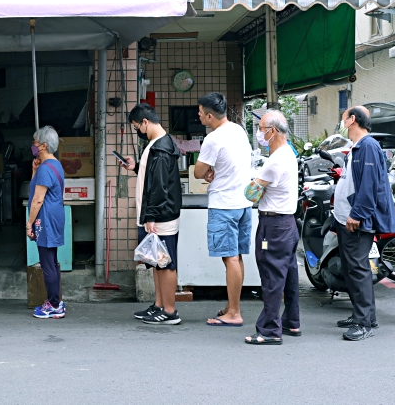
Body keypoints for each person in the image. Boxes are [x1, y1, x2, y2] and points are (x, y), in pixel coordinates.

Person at [332, 106, 395, 341]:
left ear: (352, 120)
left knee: (358, 269)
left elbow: (370, 185)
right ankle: (364, 315)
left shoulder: (368, 146)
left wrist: (357, 214)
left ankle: (364, 324)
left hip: (355, 219)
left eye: (343, 119)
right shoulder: (357, 147)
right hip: (346, 217)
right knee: (353, 269)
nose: (341, 123)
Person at [191, 93, 251, 327]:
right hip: (243, 203)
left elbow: (197, 172)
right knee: (237, 257)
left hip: (225, 204)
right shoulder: (238, 130)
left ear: (209, 115)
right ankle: (232, 305)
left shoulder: (213, 139)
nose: (198, 115)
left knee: (230, 259)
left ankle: (234, 313)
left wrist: (207, 171)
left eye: (200, 112)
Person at [120, 103, 183, 325]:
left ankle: (170, 311)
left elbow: (159, 187)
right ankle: (159, 305)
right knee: (158, 261)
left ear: (145, 122)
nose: (137, 130)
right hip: (160, 214)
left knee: (166, 263)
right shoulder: (158, 145)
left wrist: (151, 216)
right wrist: (136, 167)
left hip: (161, 216)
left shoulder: (161, 148)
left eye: (137, 126)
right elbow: (153, 175)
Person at [243, 110, 300, 345]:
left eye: (261, 128)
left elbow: (249, 194)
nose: (258, 133)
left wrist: (254, 182)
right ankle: (291, 322)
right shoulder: (288, 154)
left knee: (272, 277)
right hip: (287, 224)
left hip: (273, 225)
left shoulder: (274, 161)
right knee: (288, 276)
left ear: (272, 131)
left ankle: (269, 330)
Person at [26, 125, 67, 319]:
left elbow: (37, 199)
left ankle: (54, 304)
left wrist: (29, 223)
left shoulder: (45, 169)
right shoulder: (54, 164)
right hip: (55, 218)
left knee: (47, 264)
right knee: (51, 261)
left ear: (42, 145)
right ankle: (56, 301)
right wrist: (34, 171)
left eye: (34, 142)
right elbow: (37, 188)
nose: (32, 146)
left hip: (46, 220)